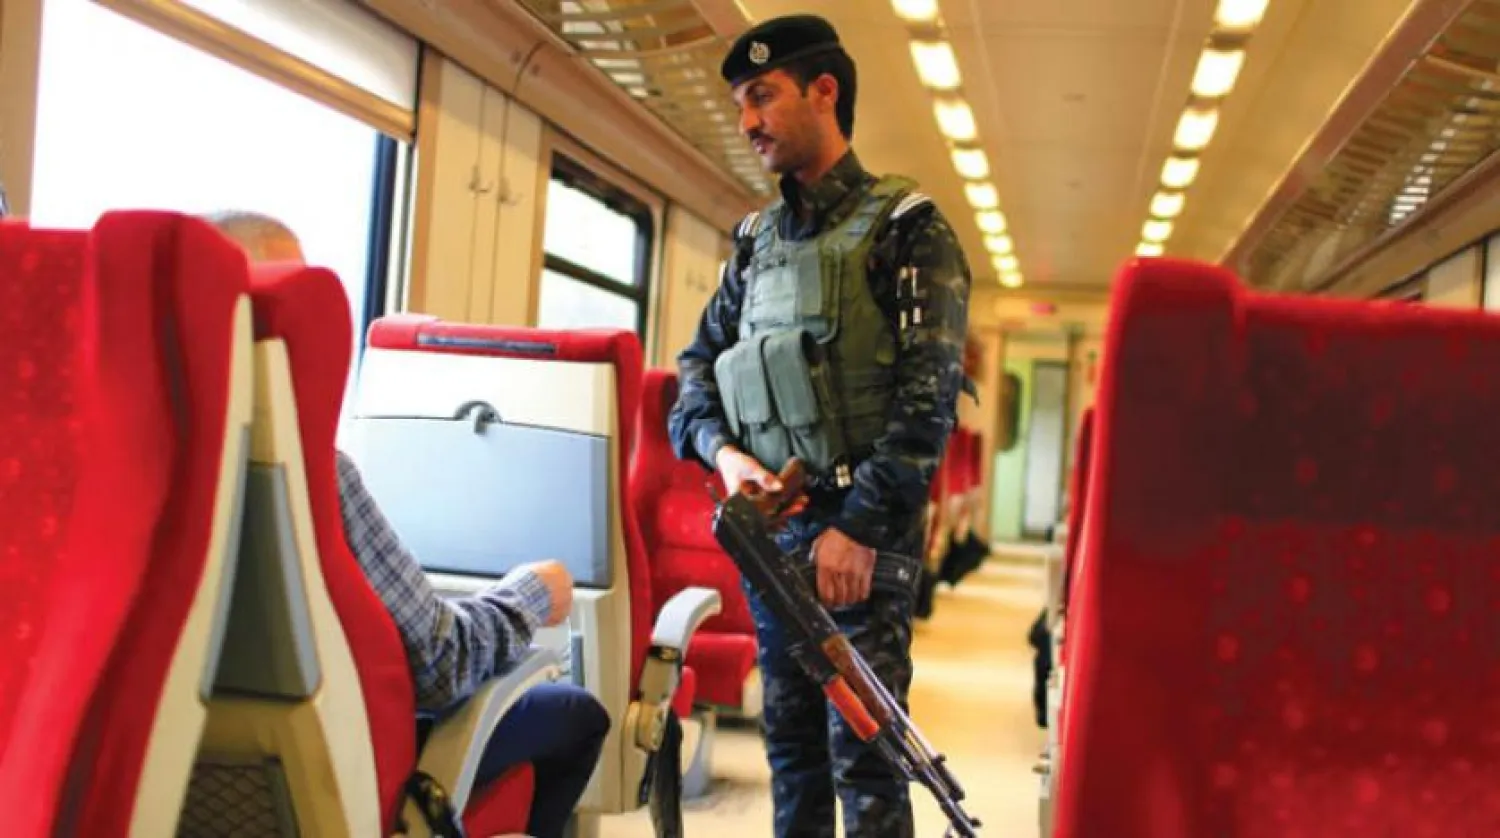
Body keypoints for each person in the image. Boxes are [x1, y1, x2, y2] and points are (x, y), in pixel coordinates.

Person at [204, 210, 609, 838]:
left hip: (188, 776)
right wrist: (530, 592)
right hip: (348, 767)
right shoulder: (314, 474)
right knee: (576, 711)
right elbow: (440, 663)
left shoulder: (109, 474)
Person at [666, 14, 973, 838]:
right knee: (793, 757)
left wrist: (860, 532)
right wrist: (725, 456)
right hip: (774, 542)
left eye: (762, 96)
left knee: (867, 767)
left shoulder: (907, 228)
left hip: (860, 549)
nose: (747, 122)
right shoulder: (756, 245)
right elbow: (692, 374)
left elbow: (925, 404)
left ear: (824, 91)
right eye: (740, 103)